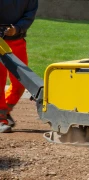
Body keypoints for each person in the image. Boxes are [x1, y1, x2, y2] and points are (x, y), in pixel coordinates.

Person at [0, 0, 38, 133]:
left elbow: (29, 15)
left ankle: (5, 111)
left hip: (17, 40)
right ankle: (0, 119)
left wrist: (17, 29)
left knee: (21, 81)